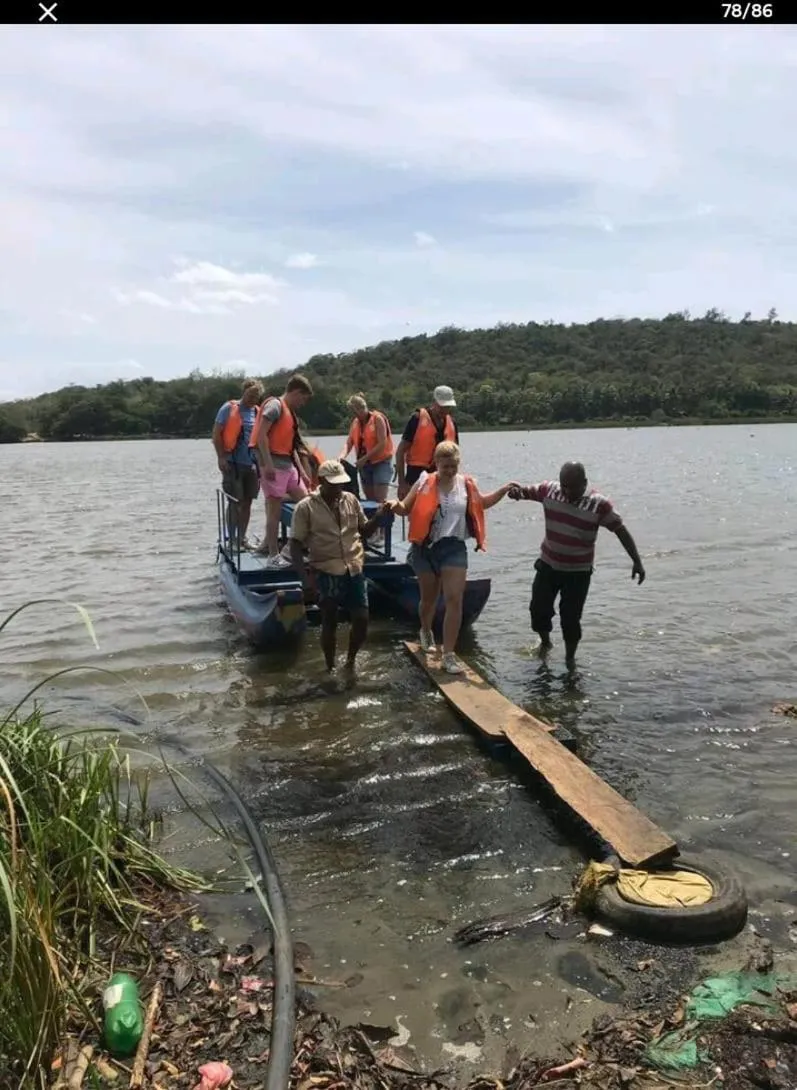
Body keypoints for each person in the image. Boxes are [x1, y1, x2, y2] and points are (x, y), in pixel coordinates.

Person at [386, 441, 518, 675]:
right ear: (436, 463)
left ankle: (448, 653)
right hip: (425, 548)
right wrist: (392, 505)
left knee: (454, 599)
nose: (449, 471)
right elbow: (405, 508)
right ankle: (425, 630)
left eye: (453, 466)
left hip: (454, 548)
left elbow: (483, 503)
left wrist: (504, 490)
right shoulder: (425, 481)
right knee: (429, 599)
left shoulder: (466, 485)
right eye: (445, 466)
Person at [508, 461, 646, 667]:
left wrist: (637, 561)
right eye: (564, 485)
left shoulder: (599, 505)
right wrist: (516, 492)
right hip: (548, 565)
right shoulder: (550, 491)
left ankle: (570, 659)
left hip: (578, 573)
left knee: (570, 620)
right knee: (538, 610)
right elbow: (527, 491)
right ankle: (546, 643)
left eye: (572, 486)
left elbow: (620, 530)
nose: (567, 491)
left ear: (584, 483)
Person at [289, 460, 385, 678]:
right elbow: (295, 545)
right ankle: (330, 665)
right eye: (333, 484)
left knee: (361, 618)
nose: (338, 488)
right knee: (329, 620)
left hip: (354, 567)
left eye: (341, 484)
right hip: (325, 569)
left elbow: (364, 531)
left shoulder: (350, 500)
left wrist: (378, 517)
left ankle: (350, 661)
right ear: (321, 481)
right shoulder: (305, 507)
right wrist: (305, 581)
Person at [249, 374, 314, 567]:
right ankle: (273, 556)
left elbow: (291, 446)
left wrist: (302, 471)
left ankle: (292, 548)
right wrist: (267, 464)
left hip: (288, 465)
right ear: (295, 392)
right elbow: (261, 436)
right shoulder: (275, 406)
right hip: (273, 466)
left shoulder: (290, 413)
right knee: (274, 512)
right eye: (302, 398)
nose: (303, 403)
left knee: (307, 504)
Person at [211, 378, 264, 548]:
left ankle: (242, 539)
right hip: (232, 463)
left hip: (252, 465)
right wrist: (221, 457)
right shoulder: (228, 408)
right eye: (250, 394)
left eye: (256, 396)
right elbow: (216, 434)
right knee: (235, 501)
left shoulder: (257, 412)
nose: (252, 399)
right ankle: (231, 539)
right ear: (244, 391)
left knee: (248, 501)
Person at [394, 385, 459, 500]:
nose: (445, 410)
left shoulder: (452, 423)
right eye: (442, 406)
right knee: (418, 514)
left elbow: (456, 456)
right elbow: (400, 451)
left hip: (443, 476)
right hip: (416, 475)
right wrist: (402, 483)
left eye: (448, 407)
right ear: (434, 402)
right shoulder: (417, 419)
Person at [338, 394, 394, 503]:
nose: (353, 414)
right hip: (365, 465)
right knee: (370, 500)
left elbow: (382, 443)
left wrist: (364, 459)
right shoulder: (355, 422)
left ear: (361, 408)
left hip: (380, 463)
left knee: (380, 499)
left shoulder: (378, 419)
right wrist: (341, 457)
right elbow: (349, 443)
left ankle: (383, 518)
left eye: (354, 411)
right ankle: (371, 518)